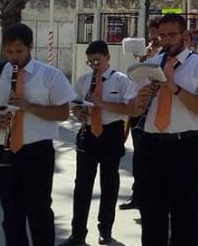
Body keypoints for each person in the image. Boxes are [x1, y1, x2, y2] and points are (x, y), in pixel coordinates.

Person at [0, 23, 76, 246]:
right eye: (9, 52)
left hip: (36, 151)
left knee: (38, 211)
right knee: (11, 214)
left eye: (19, 51)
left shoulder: (50, 75)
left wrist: (30, 107)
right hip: (2, 149)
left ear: (30, 47)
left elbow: (62, 113)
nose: (14, 57)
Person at [130, 14, 198, 246]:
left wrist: (175, 88)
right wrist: (139, 101)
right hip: (150, 145)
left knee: (185, 216)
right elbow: (132, 111)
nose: (166, 40)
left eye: (172, 35)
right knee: (151, 216)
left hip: (186, 147)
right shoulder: (150, 64)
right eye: (162, 35)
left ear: (185, 35)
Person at [61, 41, 137, 246]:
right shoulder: (84, 80)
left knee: (109, 183)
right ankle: (78, 233)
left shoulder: (120, 80)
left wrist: (101, 104)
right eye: (90, 61)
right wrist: (80, 112)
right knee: (82, 185)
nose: (94, 65)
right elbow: (74, 106)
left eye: (98, 60)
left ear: (107, 58)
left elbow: (131, 109)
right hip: (88, 132)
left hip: (111, 133)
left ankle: (105, 229)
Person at [120, 16, 162, 211]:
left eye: (157, 32)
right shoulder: (146, 53)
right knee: (139, 155)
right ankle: (137, 194)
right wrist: (143, 60)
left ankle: (154, 195)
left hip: (158, 109)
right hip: (140, 107)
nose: (154, 36)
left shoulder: (166, 55)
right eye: (152, 32)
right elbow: (135, 77)